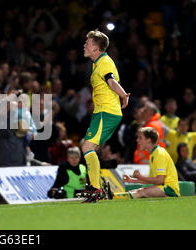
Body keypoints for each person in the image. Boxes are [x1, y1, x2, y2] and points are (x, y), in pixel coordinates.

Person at [81, 30, 130, 202]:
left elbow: (111, 80)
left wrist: (123, 95)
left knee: (87, 147)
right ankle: (96, 186)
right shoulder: (98, 63)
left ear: (95, 48)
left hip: (106, 112)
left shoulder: (104, 63)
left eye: (87, 43)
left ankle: (96, 188)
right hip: (102, 112)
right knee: (88, 148)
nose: (84, 45)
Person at [113, 127, 181, 199]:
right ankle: (113, 196)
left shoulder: (159, 153)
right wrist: (132, 180)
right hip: (164, 188)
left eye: (140, 138)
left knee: (140, 193)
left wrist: (140, 177)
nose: (137, 140)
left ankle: (112, 197)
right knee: (136, 192)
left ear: (148, 140)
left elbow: (159, 180)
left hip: (169, 189)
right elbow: (153, 180)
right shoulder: (154, 154)